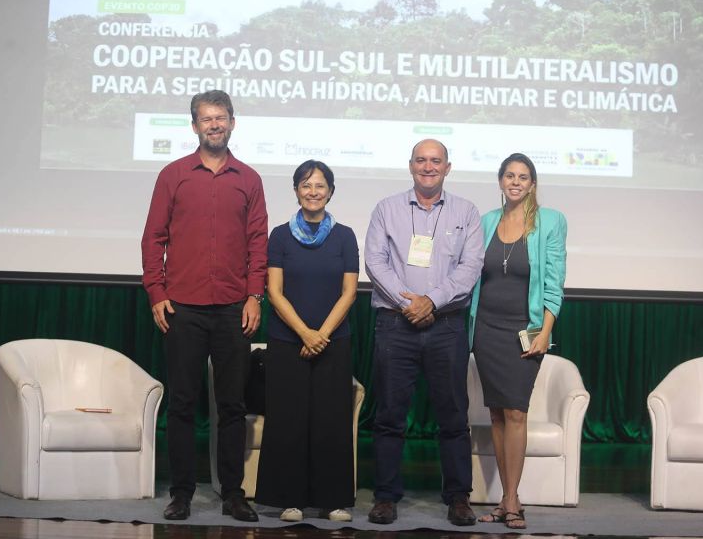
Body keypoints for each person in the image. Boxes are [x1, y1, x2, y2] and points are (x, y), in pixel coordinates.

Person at [141, 90, 267, 522]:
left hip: (234, 308)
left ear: (233, 122)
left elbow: (257, 243)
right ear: (194, 126)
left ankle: (233, 493)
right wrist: (157, 293)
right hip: (183, 309)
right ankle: (181, 494)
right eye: (206, 119)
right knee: (181, 403)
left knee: (232, 405)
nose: (214, 125)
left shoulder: (249, 179)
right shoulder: (173, 175)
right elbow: (152, 238)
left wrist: (255, 295)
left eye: (221, 118)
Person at [364, 139, 484, 526]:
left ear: (448, 167)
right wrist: (409, 304)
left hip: (447, 326)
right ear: (410, 165)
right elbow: (376, 262)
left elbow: (470, 268)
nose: (428, 167)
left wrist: (430, 301)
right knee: (389, 415)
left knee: (452, 415)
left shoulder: (467, 212)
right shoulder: (387, 209)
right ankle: (385, 496)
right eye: (421, 160)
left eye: (435, 161)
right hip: (395, 325)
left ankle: (458, 498)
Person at [255, 160, 359, 522]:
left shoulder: (345, 235)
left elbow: (349, 293)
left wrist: (322, 335)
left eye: (319, 185)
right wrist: (304, 333)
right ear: (296, 191)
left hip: (333, 340)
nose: (313, 192)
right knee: (289, 420)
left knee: (331, 420)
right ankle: (289, 499)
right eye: (305, 185)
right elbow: (274, 291)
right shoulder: (280, 236)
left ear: (331, 191)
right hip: (287, 341)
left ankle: (333, 500)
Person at [467, 153, 567, 530]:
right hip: (486, 329)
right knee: (495, 412)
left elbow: (555, 282)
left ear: (533, 183)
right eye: (509, 175)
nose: (515, 182)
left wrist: (545, 330)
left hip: (524, 330)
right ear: (500, 181)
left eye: (523, 176)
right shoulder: (486, 221)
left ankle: (511, 499)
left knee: (516, 412)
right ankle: (508, 497)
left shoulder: (551, 221)